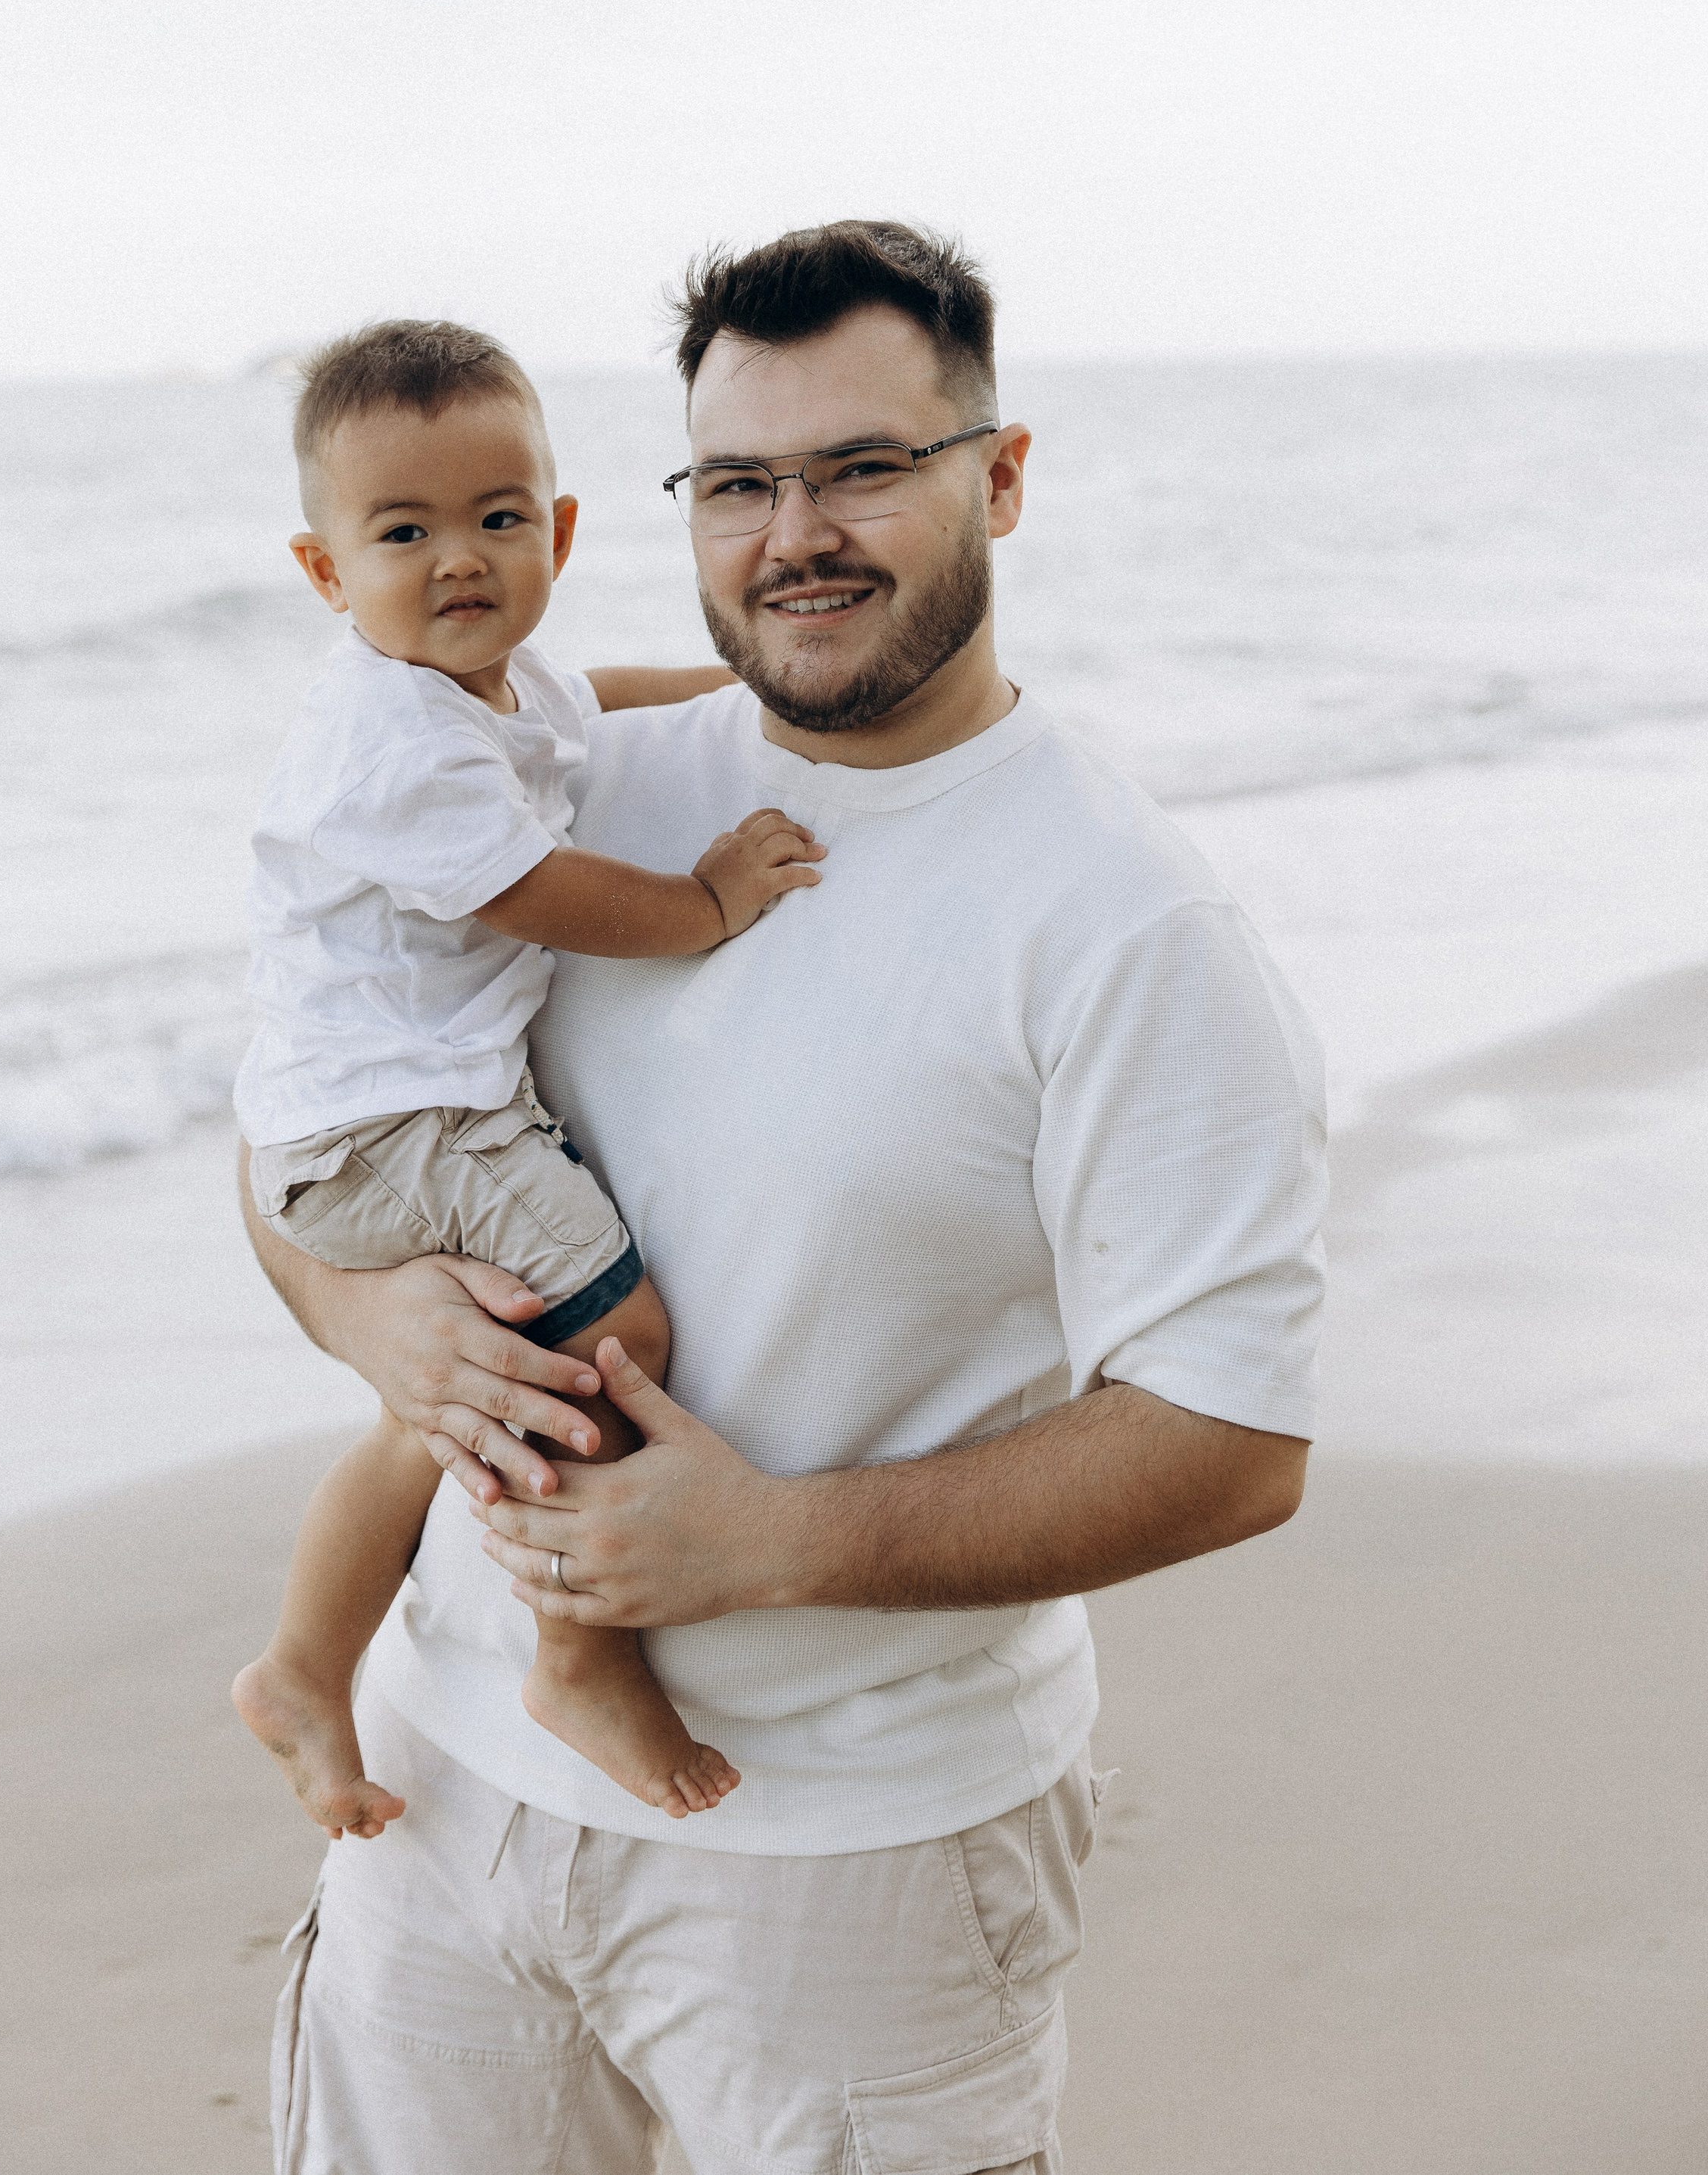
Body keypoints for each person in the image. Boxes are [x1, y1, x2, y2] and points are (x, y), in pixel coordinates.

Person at [241, 222, 1327, 2175]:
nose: (796, 531)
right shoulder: (574, 773)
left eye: (865, 467)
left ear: (998, 474)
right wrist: (368, 1319)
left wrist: (772, 1538)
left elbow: (1234, 1442)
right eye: (741, 481)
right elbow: (301, 1121)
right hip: (433, 1790)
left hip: (853, 1859)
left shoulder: (1131, 925)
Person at [230, 318, 825, 1835]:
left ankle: (305, 1665)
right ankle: (579, 1647)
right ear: (323, 572)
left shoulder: (496, 680)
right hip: (387, 1131)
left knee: (455, 1405)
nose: (457, 560)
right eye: (402, 530)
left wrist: (733, 680)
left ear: (556, 530)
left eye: (498, 519)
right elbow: (542, 891)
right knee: (605, 1327)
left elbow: (587, 701)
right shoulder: (395, 747)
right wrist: (705, 900)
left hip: (370, 1114)